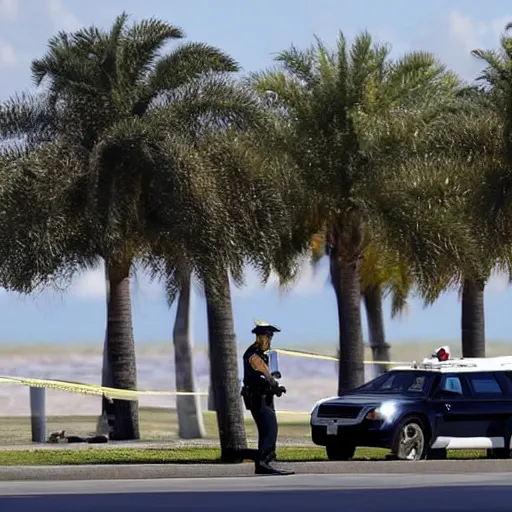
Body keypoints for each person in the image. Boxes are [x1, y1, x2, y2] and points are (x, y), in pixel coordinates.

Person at [241, 320, 294, 476]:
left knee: (268, 430)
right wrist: (274, 384)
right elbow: (265, 374)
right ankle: (262, 462)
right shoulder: (254, 355)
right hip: (257, 397)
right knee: (269, 430)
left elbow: (267, 376)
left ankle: (263, 461)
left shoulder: (260, 354)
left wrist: (274, 387)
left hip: (264, 396)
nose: (269, 341)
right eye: (267, 337)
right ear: (260, 337)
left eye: (270, 338)